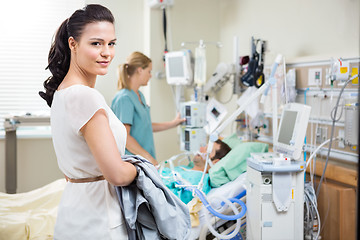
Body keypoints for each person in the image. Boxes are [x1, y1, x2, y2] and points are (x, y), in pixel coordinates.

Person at [38, 4, 137, 239]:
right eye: (96, 43)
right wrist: (143, 169)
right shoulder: (84, 96)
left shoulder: (63, 92)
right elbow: (117, 175)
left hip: (76, 209)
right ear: (73, 44)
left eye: (111, 43)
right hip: (98, 218)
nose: (107, 52)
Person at [111, 51, 185, 166]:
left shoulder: (139, 95)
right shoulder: (124, 98)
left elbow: (145, 126)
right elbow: (124, 136)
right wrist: (147, 157)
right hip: (132, 162)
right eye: (149, 71)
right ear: (140, 70)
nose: (150, 75)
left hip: (143, 161)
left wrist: (174, 123)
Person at [160, 139, 231, 204]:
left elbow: (172, 200)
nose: (201, 149)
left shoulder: (199, 179)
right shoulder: (185, 168)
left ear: (215, 162)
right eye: (204, 146)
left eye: (207, 150)